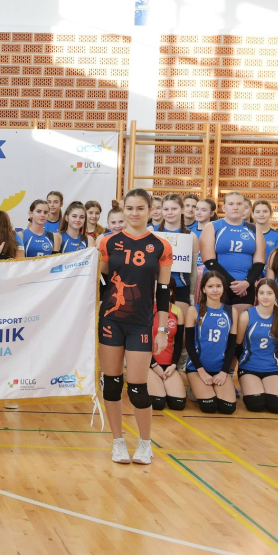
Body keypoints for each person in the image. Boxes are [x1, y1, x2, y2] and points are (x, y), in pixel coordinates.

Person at [98, 188, 173, 465]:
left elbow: (163, 290)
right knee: (112, 385)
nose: (134, 213)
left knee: (138, 387)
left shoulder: (161, 246)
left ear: (150, 209)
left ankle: (145, 443)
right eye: (129, 208)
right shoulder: (107, 242)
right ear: (123, 209)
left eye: (140, 208)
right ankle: (118, 442)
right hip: (110, 320)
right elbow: (101, 281)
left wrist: (162, 330)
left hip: (141, 322)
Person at [200, 191, 265, 317]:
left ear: (245, 208)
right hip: (217, 285)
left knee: (239, 328)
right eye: (231, 204)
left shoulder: (254, 230)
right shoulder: (213, 227)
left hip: (245, 287)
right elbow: (209, 261)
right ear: (224, 207)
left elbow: (259, 262)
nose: (235, 207)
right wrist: (233, 284)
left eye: (239, 204)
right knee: (218, 324)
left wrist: (246, 283)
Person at [184, 271, 239, 415]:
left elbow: (232, 345)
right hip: (197, 369)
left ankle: (214, 387)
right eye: (210, 286)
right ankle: (194, 387)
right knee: (209, 407)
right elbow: (189, 344)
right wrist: (201, 371)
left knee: (228, 408)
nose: (215, 290)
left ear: (223, 288)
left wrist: (224, 372)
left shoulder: (231, 311)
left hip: (220, 369)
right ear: (203, 289)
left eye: (218, 286)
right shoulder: (193, 311)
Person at [237, 279, 278, 414]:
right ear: (257, 295)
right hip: (249, 368)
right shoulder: (246, 316)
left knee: (277, 407)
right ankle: (246, 387)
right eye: (262, 293)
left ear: (276, 295)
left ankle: (267, 387)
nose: (265, 297)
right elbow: (237, 345)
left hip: (271, 368)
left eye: (269, 293)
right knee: (256, 405)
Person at [156, 194, 200, 318]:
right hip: (155, 287)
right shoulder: (152, 232)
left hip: (181, 288)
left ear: (181, 209)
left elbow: (193, 270)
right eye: (166, 209)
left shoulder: (191, 236)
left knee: (179, 330)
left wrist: (191, 294)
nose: (170, 212)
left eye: (174, 209)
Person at [148, 304, 185, 411]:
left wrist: (174, 365)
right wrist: (154, 365)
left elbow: (178, 343)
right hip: (149, 364)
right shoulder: (146, 307)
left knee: (178, 404)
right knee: (157, 403)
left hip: (169, 365)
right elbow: (141, 341)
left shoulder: (177, 311)